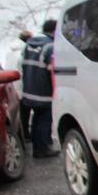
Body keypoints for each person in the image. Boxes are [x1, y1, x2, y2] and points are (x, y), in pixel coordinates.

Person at [22, 20, 58, 158]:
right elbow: (52, 69)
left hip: (29, 91)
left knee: (37, 119)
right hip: (44, 92)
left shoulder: (29, 44)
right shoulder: (50, 46)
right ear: (54, 31)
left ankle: (37, 149)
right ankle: (43, 149)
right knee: (44, 121)